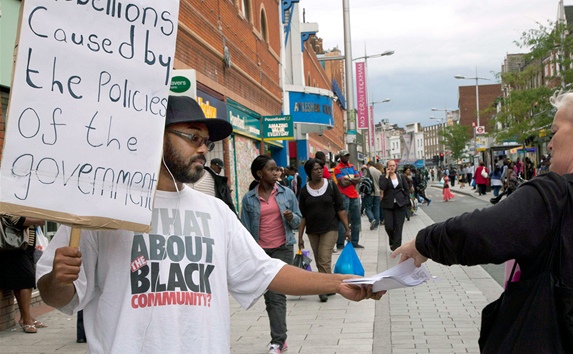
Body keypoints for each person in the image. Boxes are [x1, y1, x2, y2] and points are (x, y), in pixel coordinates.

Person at [36, 95, 384, 354]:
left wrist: (337, 282)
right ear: (154, 138)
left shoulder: (215, 212)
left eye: (207, 141)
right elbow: (60, 296)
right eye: (192, 137)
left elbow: (268, 272)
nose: (203, 149)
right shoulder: (101, 214)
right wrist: (57, 278)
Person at [392, 87, 573, 352]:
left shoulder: (556, 193)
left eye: (554, 131)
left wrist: (424, 242)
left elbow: (481, 232)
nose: (550, 144)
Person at [240, 155, 302, 353]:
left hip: (283, 248)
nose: (276, 173)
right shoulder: (248, 198)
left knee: (276, 295)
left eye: (277, 169)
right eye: (271, 169)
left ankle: (278, 340)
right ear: (260, 173)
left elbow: (298, 221)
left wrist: (292, 217)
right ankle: (280, 337)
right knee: (269, 297)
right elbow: (245, 229)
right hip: (261, 253)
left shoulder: (286, 194)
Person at [297, 158, 351, 302]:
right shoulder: (304, 191)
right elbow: (303, 216)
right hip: (312, 230)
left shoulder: (331, 186)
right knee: (319, 260)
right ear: (309, 172)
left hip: (330, 228)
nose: (320, 171)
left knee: (324, 258)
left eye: (321, 168)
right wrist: (300, 237)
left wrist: (347, 228)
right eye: (316, 169)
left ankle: (323, 289)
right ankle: (331, 286)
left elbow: (340, 209)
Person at [0, 215, 46, 333]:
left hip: (25, 246)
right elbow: (15, 220)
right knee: (27, 281)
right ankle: (26, 320)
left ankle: (26, 317)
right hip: (14, 246)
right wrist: (38, 220)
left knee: (20, 282)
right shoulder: (9, 201)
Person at [334, 150, 364, 250]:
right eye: (344, 156)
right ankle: (340, 243)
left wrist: (348, 179)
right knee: (343, 220)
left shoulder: (352, 166)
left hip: (354, 195)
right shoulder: (338, 169)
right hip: (343, 195)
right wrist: (353, 180)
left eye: (347, 155)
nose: (346, 157)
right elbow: (342, 183)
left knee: (356, 219)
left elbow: (360, 179)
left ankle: (355, 242)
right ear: (340, 157)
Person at [379, 160, 411, 251]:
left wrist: (406, 199)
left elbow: (406, 188)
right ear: (387, 167)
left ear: (396, 166)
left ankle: (396, 247)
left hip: (400, 204)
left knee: (398, 226)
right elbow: (382, 187)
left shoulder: (400, 176)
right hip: (387, 204)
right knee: (389, 226)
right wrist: (386, 176)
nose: (392, 167)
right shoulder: (382, 177)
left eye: (393, 165)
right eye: (390, 166)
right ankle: (392, 241)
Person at [363, 160, 382, 230]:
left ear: (368, 165)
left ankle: (372, 219)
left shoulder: (367, 171)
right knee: (376, 208)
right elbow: (381, 184)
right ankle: (376, 225)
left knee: (368, 208)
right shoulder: (379, 172)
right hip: (377, 193)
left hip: (369, 192)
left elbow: (363, 181)